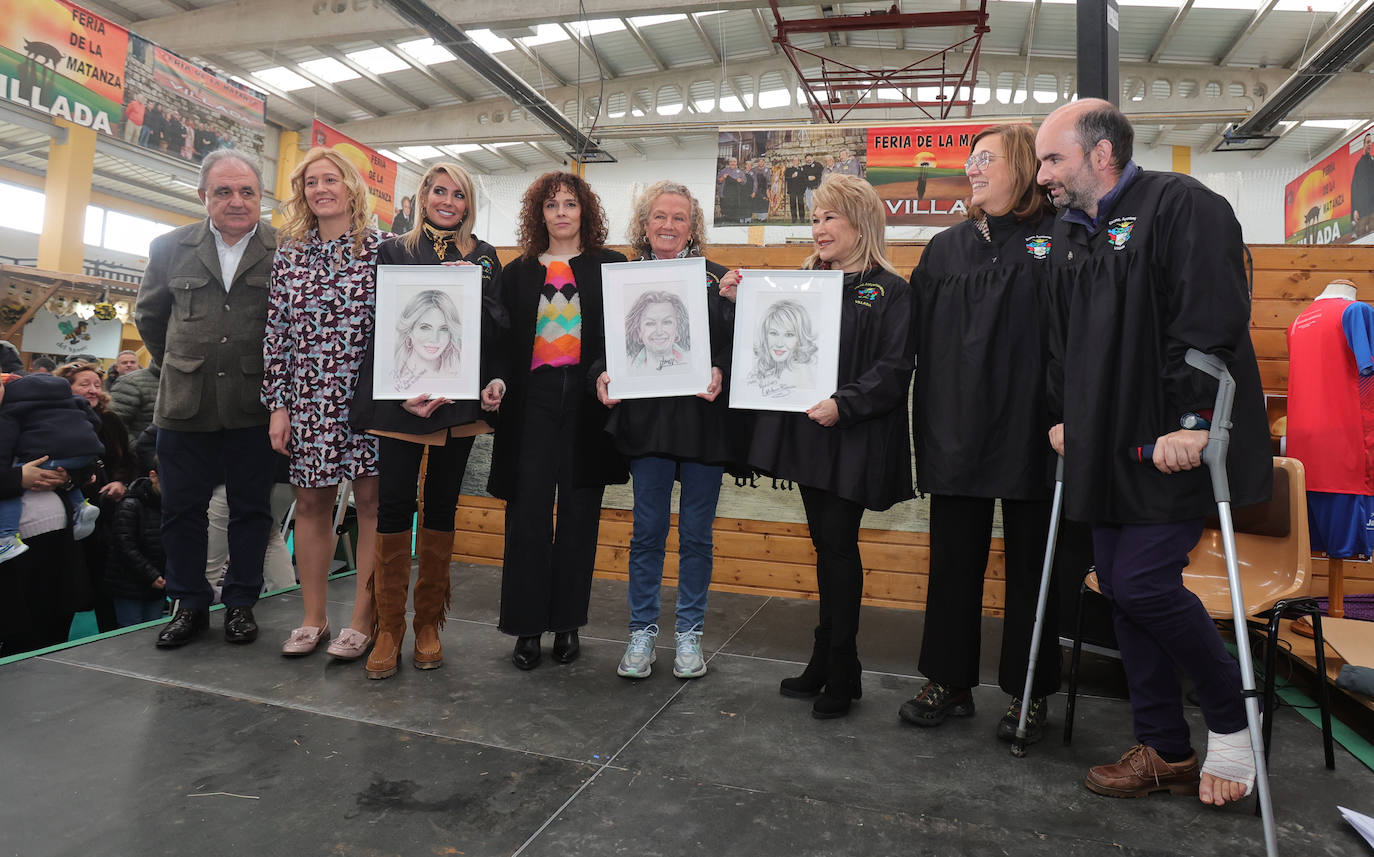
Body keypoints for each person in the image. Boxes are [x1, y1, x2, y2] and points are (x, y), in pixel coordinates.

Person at [1036, 98, 1271, 806]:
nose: (1043, 173)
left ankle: (1235, 723)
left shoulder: (1180, 204)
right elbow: (1064, 339)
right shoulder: (1071, 232)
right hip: (1106, 446)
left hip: (1176, 442)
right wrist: (1064, 416)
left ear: (1100, 154)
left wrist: (1196, 420)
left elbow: (1210, 316)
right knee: (1121, 587)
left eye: (1054, 158)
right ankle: (1166, 746)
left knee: (1141, 584)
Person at [900, 124, 1063, 743]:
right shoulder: (945, 250)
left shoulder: (1060, 238)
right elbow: (901, 327)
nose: (971, 169)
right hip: (957, 427)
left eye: (985, 159)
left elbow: (1079, 335)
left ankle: (1029, 693)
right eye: (970, 160)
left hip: (1034, 431)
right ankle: (949, 681)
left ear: (1022, 167)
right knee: (952, 565)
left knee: (1031, 569)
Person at [750, 174, 915, 718]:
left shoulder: (891, 291)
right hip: (809, 439)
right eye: (815, 218)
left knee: (839, 549)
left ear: (861, 222)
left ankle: (842, 669)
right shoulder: (804, 283)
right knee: (825, 548)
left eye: (829, 218)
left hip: (853, 437)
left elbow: (894, 370)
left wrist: (845, 403)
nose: (818, 228)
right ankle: (830, 662)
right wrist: (742, 299)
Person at [349, 161, 504, 678]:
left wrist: (494, 379)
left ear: (468, 204)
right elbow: (380, 327)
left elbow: (497, 329)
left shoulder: (484, 257)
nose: (448, 201)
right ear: (422, 196)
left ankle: (429, 624)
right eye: (439, 191)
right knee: (393, 506)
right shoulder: (392, 249)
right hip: (401, 403)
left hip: (458, 406)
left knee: (441, 507)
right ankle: (388, 626)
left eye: (458, 194)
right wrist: (396, 395)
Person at [135, 148, 280, 649]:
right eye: (224, 191)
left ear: (261, 197)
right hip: (183, 405)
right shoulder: (169, 247)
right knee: (180, 511)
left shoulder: (285, 249)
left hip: (253, 404)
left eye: (246, 191)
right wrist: (181, 364)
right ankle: (188, 604)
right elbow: (151, 319)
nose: (236, 201)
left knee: (251, 510)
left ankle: (241, 604)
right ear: (203, 196)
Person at [595, 180, 741, 680]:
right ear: (645, 223)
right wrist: (602, 375)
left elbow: (737, 348)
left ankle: (689, 635)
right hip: (647, 425)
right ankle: (641, 633)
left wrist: (723, 357)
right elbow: (603, 345)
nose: (669, 226)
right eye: (660, 216)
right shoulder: (622, 279)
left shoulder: (719, 280)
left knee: (697, 535)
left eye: (680, 218)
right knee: (648, 531)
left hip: (703, 424)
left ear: (693, 227)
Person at [486, 171, 627, 670]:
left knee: (579, 515)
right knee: (526, 515)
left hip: (590, 402)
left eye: (570, 203)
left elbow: (621, 336)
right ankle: (526, 628)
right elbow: (499, 343)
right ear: (538, 215)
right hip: (531, 404)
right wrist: (497, 379)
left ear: (584, 211)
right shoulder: (517, 272)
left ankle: (567, 625)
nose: (562, 212)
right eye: (552, 205)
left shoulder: (612, 266)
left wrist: (607, 373)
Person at [264, 147, 382, 658]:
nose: (320, 189)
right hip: (308, 399)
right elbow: (276, 333)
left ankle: (364, 619)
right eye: (311, 182)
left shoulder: (383, 248)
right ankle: (313, 618)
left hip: (367, 398)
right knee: (311, 504)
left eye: (330, 179)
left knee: (373, 504)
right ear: (302, 193)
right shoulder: (289, 255)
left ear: (351, 185)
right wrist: (279, 404)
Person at [58, 361, 136, 633]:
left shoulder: (111, 420)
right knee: (67, 581)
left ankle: (107, 635)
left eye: (96, 385)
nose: (92, 390)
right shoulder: (56, 419)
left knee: (105, 579)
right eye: (84, 384)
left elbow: (127, 459)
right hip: (66, 512)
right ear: (65, 387)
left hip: (107, 513)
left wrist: (119, 482)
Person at [0, 372, 105, 563]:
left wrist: (68, 478)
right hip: (23, 543)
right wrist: (17, 478)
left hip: (55, 536)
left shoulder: (21, 411)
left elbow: (91, 470)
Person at [0, 456, 87, 657]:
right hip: (11, 558)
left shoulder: (36, 428)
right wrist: (17, 478)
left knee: (57, 629)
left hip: (58, 543)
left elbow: (88, 466)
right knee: (19, 639)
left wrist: (67, 478)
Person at [105, 460, 167, 627]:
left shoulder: (171, 506)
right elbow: (125, 546)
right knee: (130, 632)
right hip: (129, 586)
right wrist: (151, 575)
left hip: (158, 585)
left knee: (154, 629)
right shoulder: (130, 505)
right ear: (153, 476)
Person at [391, 290, 464, 391]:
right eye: (425, 327)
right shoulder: (393, 372)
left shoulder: (460, 373)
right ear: (409, 330)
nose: (434, 339)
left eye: (444, 329)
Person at [747, 298, 818, 397]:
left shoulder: (804, 378)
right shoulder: (757, 372)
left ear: (801, 338)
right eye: (773, 333)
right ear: (765, 335)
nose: (779, 343)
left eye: (789, 335)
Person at [624, 290, 691, 372]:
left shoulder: (692, 361)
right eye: (650, 323)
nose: (659, 332)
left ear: (677, 329)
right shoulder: (628, 368)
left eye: (667, 322)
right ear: (638, 331)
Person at [109, 354, 158, 445]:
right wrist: (138, 450)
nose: (129, 365)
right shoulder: (127, 382)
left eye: (132, 362)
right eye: (124, 362)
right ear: (116, 367)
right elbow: (115, 425)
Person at [716, 157, 749, 224]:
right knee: (725, 208)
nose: (732, 163)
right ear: (729, 163)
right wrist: (723, 177)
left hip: (735, 195)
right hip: (724, 194)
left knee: (734, 208)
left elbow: (744, 182)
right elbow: (718, 181)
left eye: (734, 161)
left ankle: (734, 220)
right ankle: (725, 220)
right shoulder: (724, 171)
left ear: (736, 163)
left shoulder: (740, 172)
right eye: (731, 162)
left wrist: (741, 180)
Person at [1352, 134, 1374, 233]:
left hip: (1373, 210)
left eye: (1371, 142)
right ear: (1363, 144)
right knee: (1361, 240)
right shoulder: (1359, 165)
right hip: (1362, 212)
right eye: (1367, 142)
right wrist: (1355, 209)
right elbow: (1354, 188)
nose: (1369, 144)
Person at [785, 156, 807, 223]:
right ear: (792, 162)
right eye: (794, 160)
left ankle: (802, 219)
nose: (795, 162)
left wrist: (804, 189)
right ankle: (794, 219)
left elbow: (804, 179)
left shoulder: (802, 169)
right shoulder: (789, 170)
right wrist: (791, 177)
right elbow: (786, 178)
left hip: (800, 190)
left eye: (797, 160)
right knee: (793, 204)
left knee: (801, 204)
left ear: (799, 162)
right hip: (792, 190)